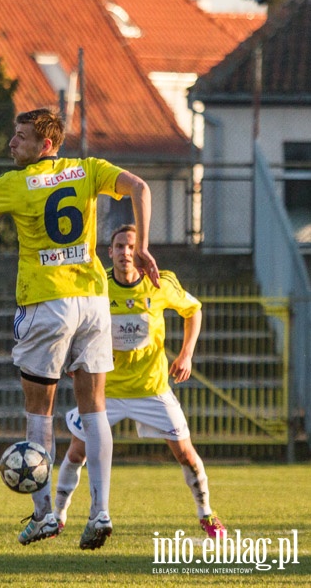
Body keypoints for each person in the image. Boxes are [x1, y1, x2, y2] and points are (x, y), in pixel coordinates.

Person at [0, 108, 160, 550]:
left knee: (39, 411)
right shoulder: (87, 170)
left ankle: (45, 514)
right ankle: (100, 510)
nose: (12, 143)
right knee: (94, 409)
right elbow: (140, 187)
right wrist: (141, 247)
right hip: (92, 300)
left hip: (47, 303)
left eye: (22, 137)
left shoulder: (11, 184)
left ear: (46, 145)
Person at [54, 224, 226, 538]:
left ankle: (207, 515)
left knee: (185, 453)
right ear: (110, 252)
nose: (125, 253)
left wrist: (186, 353)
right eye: (119, 247)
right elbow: (76, 321)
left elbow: (194, 310)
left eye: (131, 247)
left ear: (141, 250)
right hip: (104, 392)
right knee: (77, 451)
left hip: (152, 389)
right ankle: (57, 516)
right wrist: (73, 355)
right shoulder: (98, 285)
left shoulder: (159, 282)